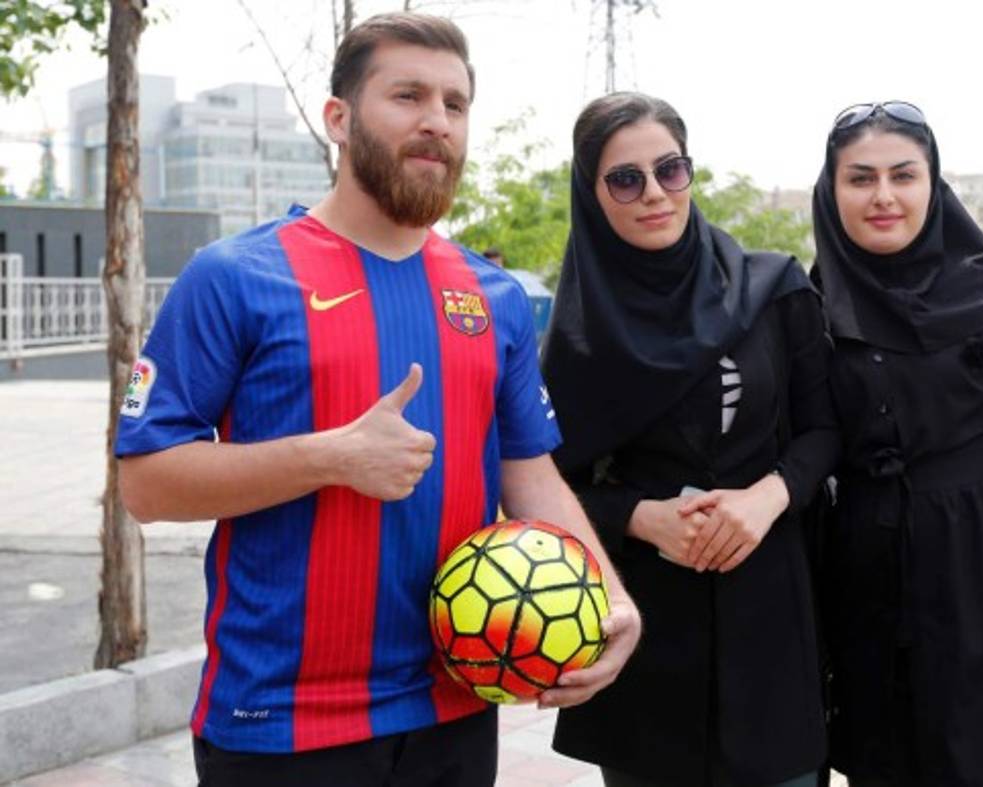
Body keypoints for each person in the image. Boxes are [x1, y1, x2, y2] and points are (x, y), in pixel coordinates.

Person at [114, 13, 640, 787]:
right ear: (338, 118)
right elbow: (146, 483)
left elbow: (529, 473)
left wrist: (611, 595)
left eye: (455, 105)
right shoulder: (233, 276)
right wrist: (329, 456)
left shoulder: (490, 295)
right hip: (279, 723)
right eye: (408, 95)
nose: (436, 121)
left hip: (456, 705)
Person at [541, 92, 839, 787]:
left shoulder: (774, 289)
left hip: (771, 619)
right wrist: (642, 518)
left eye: (670, 169)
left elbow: (826, 430)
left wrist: (767, 497)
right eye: (625, 178)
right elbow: (545, 484)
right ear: (593, 197)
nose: (654, 193)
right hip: (648, 639)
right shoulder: (578, 341)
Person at [809, 101, 983, 787]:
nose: (883, 196)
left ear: (933, 185)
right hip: (866, 589)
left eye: (904, 175)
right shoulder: (810, 302)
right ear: (832, 189)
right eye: (861, 178)